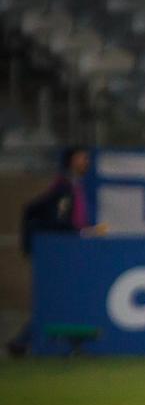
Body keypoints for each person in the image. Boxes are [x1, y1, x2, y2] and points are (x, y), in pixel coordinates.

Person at [10, 146, 106, 356]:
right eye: (82, 158)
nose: (86, 162)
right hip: (59, 252)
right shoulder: (63, 187)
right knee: (55, 299)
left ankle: (24, 342)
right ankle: (23, 341)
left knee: (60, 299)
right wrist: (31, 243)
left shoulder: (74, 185)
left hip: (68, 250)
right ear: (71, 160)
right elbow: (42, 214)